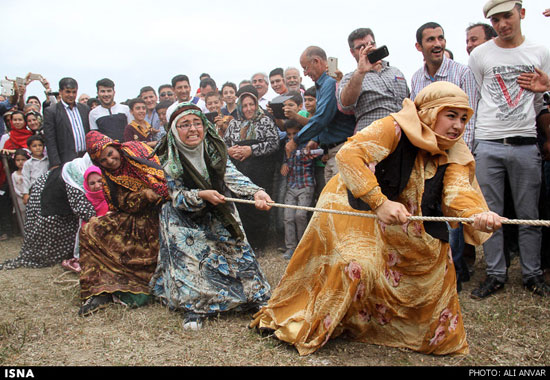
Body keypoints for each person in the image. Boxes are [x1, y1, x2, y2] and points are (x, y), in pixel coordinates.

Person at [251, 81, 501, 356]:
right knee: (356, 264)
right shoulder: (394, 126)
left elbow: (457, 194)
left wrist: (475, 214)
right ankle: (331, 318)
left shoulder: (455, 149)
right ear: (430, 112)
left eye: (464, 118)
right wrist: (379, 202)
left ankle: (398, 329)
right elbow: (348, 155)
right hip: (355, 203)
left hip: (406, 217)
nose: (458, 125)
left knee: (438, 268)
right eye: (451, 115)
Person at [149, 102, 272, 330]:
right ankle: (195, 308)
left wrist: (257, 191)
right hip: (183, 217)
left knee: (238, 250)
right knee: (192, 260)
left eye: (197, 123)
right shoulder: (168, 156)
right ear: (175, 129)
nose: (193, 129)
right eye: (185, 125)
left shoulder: (214, 148)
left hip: (217, 210)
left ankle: (253, 297)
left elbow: (231, 175)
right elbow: (176, 195)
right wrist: (201, 195)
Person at [468, 0, 550, 298]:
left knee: (529, 215)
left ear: (522, 13)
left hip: (526, 142)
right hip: (489, 143)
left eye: (507, 17)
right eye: (496, 20)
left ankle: (531, 273)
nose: (502, 24)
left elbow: (542, 99)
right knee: (489, 216)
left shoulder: (540, 52)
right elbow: (476, 99)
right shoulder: (479, 55)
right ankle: (495, 274)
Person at [411, 21, 480, 291]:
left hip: (455, 154)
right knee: (434, 215)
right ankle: (438, 273)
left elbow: (470, 118)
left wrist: (462, 156)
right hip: (427, 157)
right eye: (430, 39)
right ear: (420, 46)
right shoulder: (416, 78)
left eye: (440, 38)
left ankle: (457, 273)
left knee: (455, 213)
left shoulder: (462, 73)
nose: (437, 43)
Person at [78, 131, 169, 316]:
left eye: (110, 154)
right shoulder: (109, 177)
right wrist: (144, 195)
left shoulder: (138, 150)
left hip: (164, 210)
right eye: (103, 160)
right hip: (135, 213)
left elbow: (166, 172)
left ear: (116, 146)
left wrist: (157, 192)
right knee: (90, 230)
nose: (110, 161)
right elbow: (121, 203)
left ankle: (141, 284)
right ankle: (100, 288)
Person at [0, 154, 96, 270]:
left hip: (53, 203)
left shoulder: (84, 167)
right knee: (46, 250)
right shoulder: (75, 172)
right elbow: (84, 210)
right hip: (46, 206)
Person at [286, 46, 356, 185]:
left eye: (306, 68)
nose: (305, 73)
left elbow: (322, 118)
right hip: (331, 153)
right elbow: (328, 118)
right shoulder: (321, 86)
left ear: (317, 61)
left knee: (340, 201)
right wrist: (316, 139)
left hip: (341, 151)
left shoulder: (330, 83)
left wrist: (296, 140)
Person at [223, 86, 279, 250]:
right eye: (245, 105)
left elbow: (274, 143)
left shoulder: (265, 120)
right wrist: (230, 150)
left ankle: (260, 243)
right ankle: (246, 243)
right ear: (240, 106)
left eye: (251, 104)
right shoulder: (234, 124)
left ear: (256, 104)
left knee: (259, 206)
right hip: (240, 171)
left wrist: (251, 150)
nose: (248, 109)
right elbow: (224, 145)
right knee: (242, 206)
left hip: (261, 170)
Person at [338, 28, 410, 135]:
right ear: (352, 52)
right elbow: (345, 103)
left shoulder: (396, 72)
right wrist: (360, 72)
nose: (368, 48)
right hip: (372, 137)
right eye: (361, 47)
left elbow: (408, 101)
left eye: (371, 44)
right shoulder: (351, 78)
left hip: (404, 136)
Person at [280, 119, 318, 259]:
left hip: (305, 186)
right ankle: (291, 247)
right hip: (292, 185)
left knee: (300, 216)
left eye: (294, 134)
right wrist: (285, 162)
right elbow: (287, 163)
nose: (291, 137)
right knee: (288, 217)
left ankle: (303, 247)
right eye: (289, 135)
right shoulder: (286, 146)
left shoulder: (307, 145)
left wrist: (289, 156)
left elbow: (307, 158)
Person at [61, 165, 109, 274]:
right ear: (86, 185)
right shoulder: (85, 201)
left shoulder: (112, 196)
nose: (97, 186)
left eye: (100, 181)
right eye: (92, 183)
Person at [43, 77, 90, 170]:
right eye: (68, 92)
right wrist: (55, 164)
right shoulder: (52, 111)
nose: (71, 95)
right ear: (60, 91)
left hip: (86, 158)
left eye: (74, 92)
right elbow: (50, 140)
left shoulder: (85, 109)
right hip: (65, 160)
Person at [88, 78, 132, 142]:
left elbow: (131, 131)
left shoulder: (125, 109)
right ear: (98, 93)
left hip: (126, 149)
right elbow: (95, 138)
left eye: (109, 91)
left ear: (114, 92)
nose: (106, 94)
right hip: (107, 150)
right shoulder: (93, 113)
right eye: (103, 91)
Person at [21, 134, 49, 205]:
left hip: (47, 188)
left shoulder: (48, 160)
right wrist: (25, 193)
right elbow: (25, 178)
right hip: (34, 190)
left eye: (40, 145)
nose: (38, 148)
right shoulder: (28, 163)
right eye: (34, 146)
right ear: (29, 148)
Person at [11, 148, 29, 220]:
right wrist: (21, 195)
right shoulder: (14, 174)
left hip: (29, 196)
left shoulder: (29, 172)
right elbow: (14, 187)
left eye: (23, 160)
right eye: (18, 160)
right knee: (22, 215)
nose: (20, 162)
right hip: (19, 198)